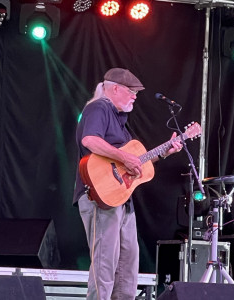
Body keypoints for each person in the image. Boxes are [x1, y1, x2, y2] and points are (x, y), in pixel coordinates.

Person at [73, 68, 183, 300]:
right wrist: (123, 157)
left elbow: (136, 161)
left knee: (127, 267)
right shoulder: (99, 107)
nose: (135, 96)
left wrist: (166, 152)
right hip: (100, 197)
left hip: (121, 200)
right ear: (115, 88)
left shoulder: (121, 122)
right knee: (105, 264)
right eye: (132, 91)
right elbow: (90, 139)